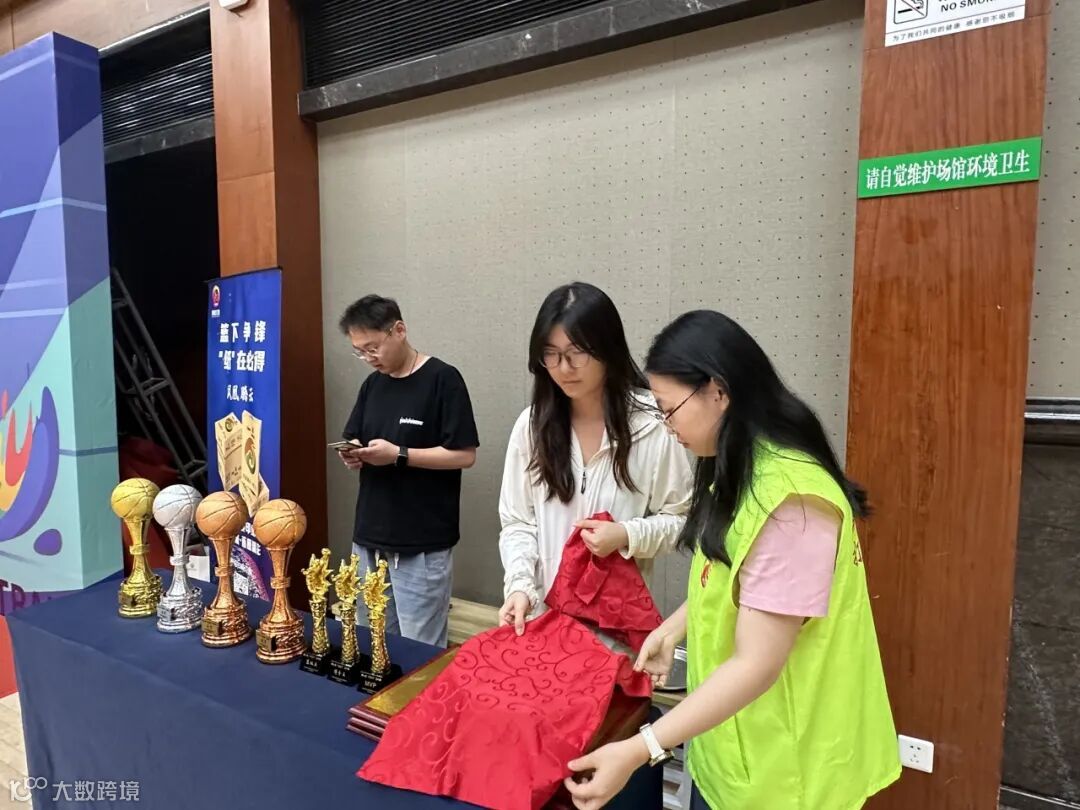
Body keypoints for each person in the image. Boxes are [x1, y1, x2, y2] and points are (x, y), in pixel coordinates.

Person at [565, 310, 901, 810]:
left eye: (669, 409)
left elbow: (757, 664)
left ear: (718, 392)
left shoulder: (791, 505)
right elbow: (732, 578)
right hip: (734, 751)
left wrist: (641, 749)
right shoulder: (740, 468)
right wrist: (673, 628)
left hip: (786, 773)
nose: (667, 426)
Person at [498, 282, 692, 640]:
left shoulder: (652, 423)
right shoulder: (532, 426)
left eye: (576, 353)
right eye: (550, 354)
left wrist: (627, 535)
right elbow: (517, 522)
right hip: (542, 625)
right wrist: (520, 586)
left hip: (614, 632)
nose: (563, 368)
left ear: (607, 348)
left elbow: (681, 518)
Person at [337, 295, 479, 647]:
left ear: (398, 330)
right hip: (369, 535)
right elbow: (356, 435)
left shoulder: (443, 379)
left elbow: (464, 455)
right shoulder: (373, 384)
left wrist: (399, 455)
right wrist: (354, 454)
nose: (369, 358)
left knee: (420, 650)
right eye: (360, 352)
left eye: (373, 348)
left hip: (421, 542)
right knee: (372, 643)